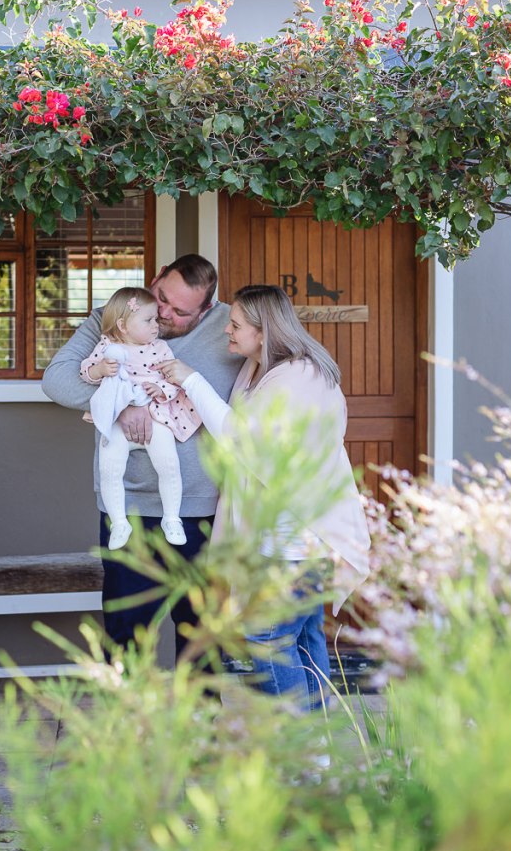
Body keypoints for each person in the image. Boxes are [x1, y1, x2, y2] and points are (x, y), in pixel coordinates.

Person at [158, 284, 371, 712]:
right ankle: (316, 755)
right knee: (305, 640)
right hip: (275, 537)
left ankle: (299, 744)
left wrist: (192, 380)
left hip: (297, 537)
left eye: (235, 325)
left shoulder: (300, 377)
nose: (227, 333)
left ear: (263, 329)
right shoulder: (258, 370)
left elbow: (246, 443)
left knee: (264, 638)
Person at [41, 254, 242, 657]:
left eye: (179, 311)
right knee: (127, 635)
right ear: (155, 278)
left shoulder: (231, 328)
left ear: (207, 310)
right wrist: (120, 403)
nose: (163, 313)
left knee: (202, 637)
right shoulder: (115, 316)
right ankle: (132, 719)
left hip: (203, 509)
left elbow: (278, 369)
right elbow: (57, 380)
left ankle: (199, 718)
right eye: (160, 297)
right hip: (129, 507)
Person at [80, 286, 202, 551]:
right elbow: (86, 373)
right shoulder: (107, 346)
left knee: (168, 465)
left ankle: (172, 518)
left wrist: (162, 390)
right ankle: (119, 522)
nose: (156, 325)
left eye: (156, 319)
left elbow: (176, 380)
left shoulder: (160, 348)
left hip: (155, 415)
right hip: (116, 420)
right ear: (123, 325)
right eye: (148, 320)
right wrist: (100, 369)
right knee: (110, 470)